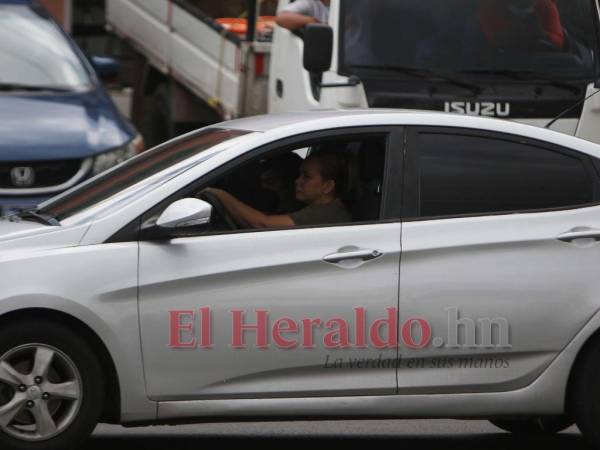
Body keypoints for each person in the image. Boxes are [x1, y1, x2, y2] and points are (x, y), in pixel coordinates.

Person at [202, 152, 351, 229]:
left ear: (328, 186)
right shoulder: (320, 207)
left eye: (306, 177)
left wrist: (218, 194)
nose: (297, 181)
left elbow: (262, 224)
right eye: (299, 174)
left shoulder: (325, 214)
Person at [477, 0, 564, 51]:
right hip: (494, 72)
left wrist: (542, 34)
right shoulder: (490, 8)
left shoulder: (546, 7)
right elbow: (484, 44)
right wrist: (510, 34)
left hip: (542, 72)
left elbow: (559, 43)